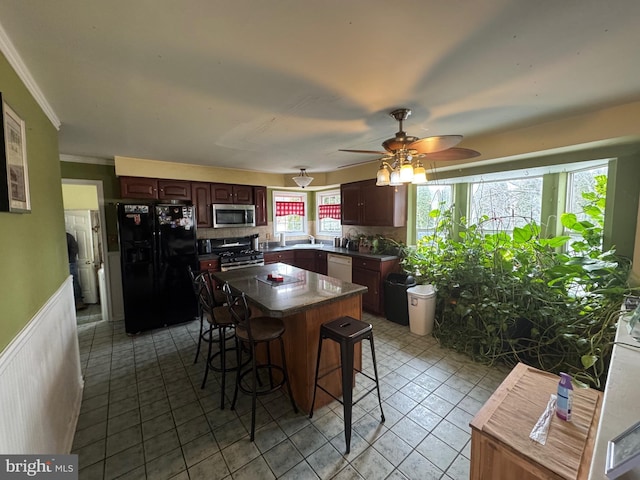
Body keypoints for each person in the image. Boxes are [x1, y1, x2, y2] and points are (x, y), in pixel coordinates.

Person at [67, 232, 86, 310]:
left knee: (74, 282)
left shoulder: (68, 237)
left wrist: (70, 260)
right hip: (68, 263)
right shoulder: (67, 237)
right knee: (71, 282)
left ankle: (79, 302)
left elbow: (75, 249)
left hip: (71, 263)